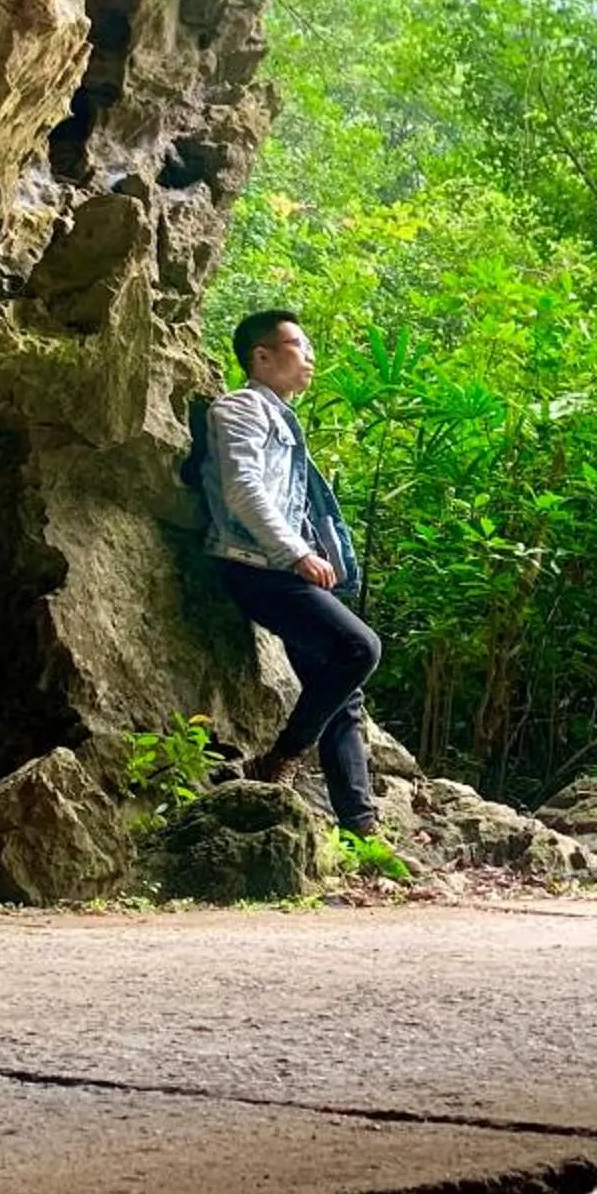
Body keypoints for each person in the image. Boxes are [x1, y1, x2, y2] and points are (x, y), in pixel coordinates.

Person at [199, 308, 381, 836]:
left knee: (342, 693)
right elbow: (243, 487)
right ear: (262, 356)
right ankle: (279, 759)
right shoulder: (240, 408)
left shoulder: (280, 416)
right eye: (299, 346)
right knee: (358, 649)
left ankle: (362, 829)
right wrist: (295, 552)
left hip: (283, 567)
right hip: (256, 566)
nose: (311, 357)